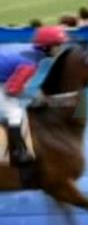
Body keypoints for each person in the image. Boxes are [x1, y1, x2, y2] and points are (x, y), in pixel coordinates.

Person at [0, 26, 70, 164]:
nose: (61, 49)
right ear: (46, 47)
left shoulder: (30, 51)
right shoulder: (30, 63)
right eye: (57, 45)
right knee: (14, 113)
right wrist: (33, 97)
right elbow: (12, 90)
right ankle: (19, 153)